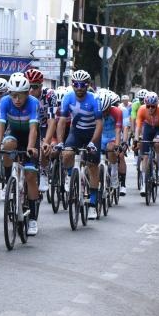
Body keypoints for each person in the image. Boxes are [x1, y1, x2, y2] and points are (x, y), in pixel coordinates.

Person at [0, 72, 41, 235]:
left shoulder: (33, 102)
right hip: (14, 133)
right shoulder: (5, 102)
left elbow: (33, 128)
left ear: (27, 93)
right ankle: (7, 181)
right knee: (7, 145)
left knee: (30, 175)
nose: (17, 99)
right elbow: (1, 124)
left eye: (20, 95)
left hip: (30, 137)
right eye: (13, 95)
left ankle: (33, 219)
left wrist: (31, 147)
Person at [55, 70, 103, 216]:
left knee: (92, 166)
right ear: (72, 85)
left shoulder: (95, 99)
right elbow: (62, 121)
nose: (79, 87)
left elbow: (99, 124)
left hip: (92, 133)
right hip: (76, 132)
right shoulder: (68, 97)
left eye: (82, 85)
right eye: (76, 84)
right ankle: (70, 176)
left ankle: (93, 203)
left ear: (88, 85)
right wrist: (60, 142)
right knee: (66, 154)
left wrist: (93, 142)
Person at [134, 91, 159, 196]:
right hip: (148, 127)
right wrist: (136, 139)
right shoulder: (142, 109)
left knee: (157, 143)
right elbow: (138, 126)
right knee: (145, 156)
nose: (150, 108)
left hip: (158, 128)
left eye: (153, 106)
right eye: (148, 106)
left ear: (157, 105)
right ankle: (144, 184)